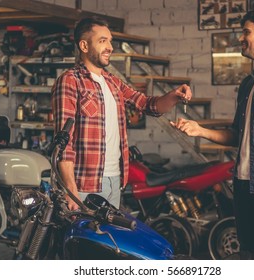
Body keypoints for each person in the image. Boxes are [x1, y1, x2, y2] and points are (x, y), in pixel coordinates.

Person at [171, 9, 254, 259]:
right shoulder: (249, 83)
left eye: (246, 32)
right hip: (243, 185)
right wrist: (199, 130)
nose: (240, 38)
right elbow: (237, 135)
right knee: (249, 256)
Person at [52, 16, 192, 211]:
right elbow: (63, 142)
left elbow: (147, 104)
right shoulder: (70, 81)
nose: (110, 47)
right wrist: (71, 188)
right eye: (103, 41)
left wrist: (174, 96)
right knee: (85, 240)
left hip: (115, 179)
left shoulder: (112, 82)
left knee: (108, 240)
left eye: (110, 41)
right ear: (84, 46)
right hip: (84, 184)